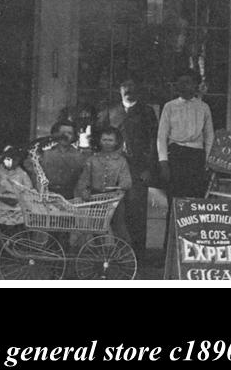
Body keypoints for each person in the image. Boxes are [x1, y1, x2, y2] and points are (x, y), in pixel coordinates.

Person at [158, 73, 215, 198]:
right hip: (176, 155)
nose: (183, 86)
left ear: (195, 85)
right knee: (174, 198)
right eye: (180, 83)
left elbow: (209, 136)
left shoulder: (203, 107)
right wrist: (163, 162)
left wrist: (208, 161)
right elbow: (162, 136)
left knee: (195, 197)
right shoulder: (170, 106)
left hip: (196, 156)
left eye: (187, 82)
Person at [117, 79, 158, 251]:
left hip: (138, 170)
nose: (129, 89)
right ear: (120, 89)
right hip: (114, 169)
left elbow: (153, 142)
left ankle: (136, 254)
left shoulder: (146, 112)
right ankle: (113, 252)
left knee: (136, 212)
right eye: (125, 86)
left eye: (133, 86)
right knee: (112, 211)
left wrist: (148, 168)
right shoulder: (110, 111)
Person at [74, 127, 133, 243]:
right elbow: (83, 180)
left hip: (115, 199)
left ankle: (122, 254)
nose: (107, 143)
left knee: (119, 227)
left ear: (116, 142)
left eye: (110, 140)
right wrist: (84, 191)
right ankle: (99, 254)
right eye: (104, 139)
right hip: (96, 198)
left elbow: (127, 181)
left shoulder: (121, 161)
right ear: (99, 141)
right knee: (96, 227)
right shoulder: (92, 160)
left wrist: (121, 187)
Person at [33, 118, 86, 199]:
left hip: (70, 197)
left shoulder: (79, 157)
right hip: (47, 196)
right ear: (56, 134)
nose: (65, 136)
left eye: (69, 133)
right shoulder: (45, 154)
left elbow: (82, 180)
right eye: (62, 133)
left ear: (74, 136)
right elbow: (37, 175)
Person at [0, 146, 33, 229]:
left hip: (18, 207)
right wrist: (0, 198)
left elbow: (29, 191)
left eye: (15, 160)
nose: (13, 162)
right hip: (1, 205)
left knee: (18, 226)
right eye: (9, 159)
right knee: (1, 227)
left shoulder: (22, 174)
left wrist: (19, 199)